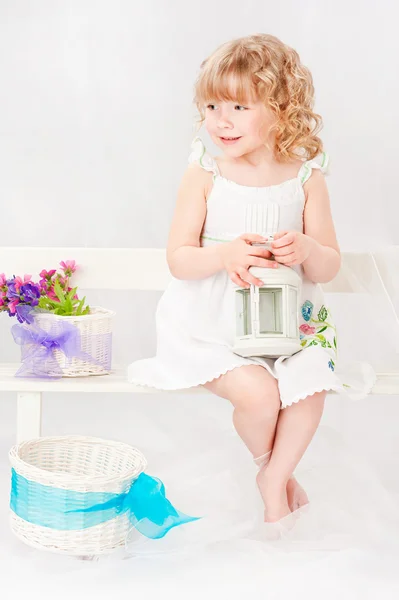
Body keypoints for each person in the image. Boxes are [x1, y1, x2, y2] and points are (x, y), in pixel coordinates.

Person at [127, 33, 376, 526]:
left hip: (289, 324)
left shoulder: (306, 178)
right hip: (210, 323)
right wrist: (223, 255)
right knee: (260, 393)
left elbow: (328, 265)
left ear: (281, 108)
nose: (220, 119)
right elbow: (179, 259)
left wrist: (306, 249)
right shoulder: (205, 174)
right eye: (212, 104)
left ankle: (274, 476)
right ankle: (271, 470)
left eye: (239, 106)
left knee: (312, 381)